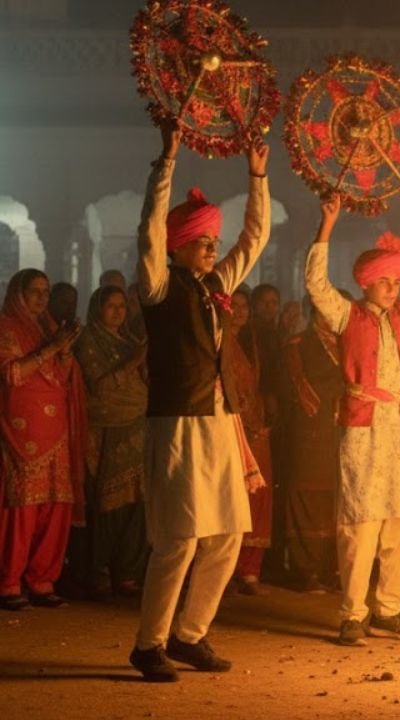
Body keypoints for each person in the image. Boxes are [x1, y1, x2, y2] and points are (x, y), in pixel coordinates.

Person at [129, 123, 271, 682]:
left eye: (214, 242)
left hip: (218, 421)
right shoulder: (159, 287)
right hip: (177, 424)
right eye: (205, 242)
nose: (214, 249)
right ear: (178, 246)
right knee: (180, 540)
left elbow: (253, 240)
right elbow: (146, 230)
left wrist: (257, 176)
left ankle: (190, 635)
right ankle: (149, 644)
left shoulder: (216, 289)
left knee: (230, 533)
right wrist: (166, 158)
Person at [305, 192, 400, 647]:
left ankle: (388, 609)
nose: (393, 286)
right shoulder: (346, 315)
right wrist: (326, 224)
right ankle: (353, 614)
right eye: (384, 281)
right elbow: (315, 283)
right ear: (366, 283)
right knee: (360, 522)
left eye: (395, 279)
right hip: (364, 428)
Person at [0, 269, 87, 611]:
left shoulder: (50, 327)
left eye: (45, 292)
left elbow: (64, 377)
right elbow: (11, 374)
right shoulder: (6, 326)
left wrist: (64, 352)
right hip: (21, 432)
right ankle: (8, 582)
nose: (41, 299)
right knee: (22, 508)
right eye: (34, 291)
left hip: (57, 431)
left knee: (54, 507)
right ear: (18, 294)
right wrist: (51, 349)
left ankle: (42, 580)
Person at [73, 286, 149, 600]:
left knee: (136, 506)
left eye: (122, 306)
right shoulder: (88, 340)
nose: (118, 312)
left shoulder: (129, 340)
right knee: (107, 505)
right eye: (111, 306)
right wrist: (135, 361)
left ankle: (128, 572)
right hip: (107, 432)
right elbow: (100, 386)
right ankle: (99, 572)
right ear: (97, 309)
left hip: (138, 430)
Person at [281, 300, 343, 593]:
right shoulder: (299, 344)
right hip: (309, 431)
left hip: (340, 433)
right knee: (306, 496)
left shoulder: (348, 343)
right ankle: (306, 570)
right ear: (314, 313)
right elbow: (294, 386)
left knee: (337, 500)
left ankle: (334, 567)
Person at [223, 288, 273, 596]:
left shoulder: (250, 339)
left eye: (244, 306)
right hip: (232, 426)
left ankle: (249, 569)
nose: (241, 311)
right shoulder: (219, 340)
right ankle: (225, 570)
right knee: (231, 497)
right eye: (235, 305)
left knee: (259, 495)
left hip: (257, 426)